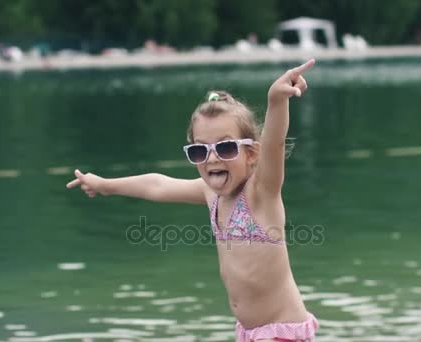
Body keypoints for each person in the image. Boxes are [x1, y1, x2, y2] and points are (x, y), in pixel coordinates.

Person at [67, 59, 318, 341]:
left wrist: (276, 101)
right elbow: (157, 185)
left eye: (225, 147)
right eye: (200, 151)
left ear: (251, 154)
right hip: (249, 333)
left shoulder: (261, 194)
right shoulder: (210, 194)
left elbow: (274, 143)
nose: (212, 157)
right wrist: (105, 185)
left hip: (280, 333)